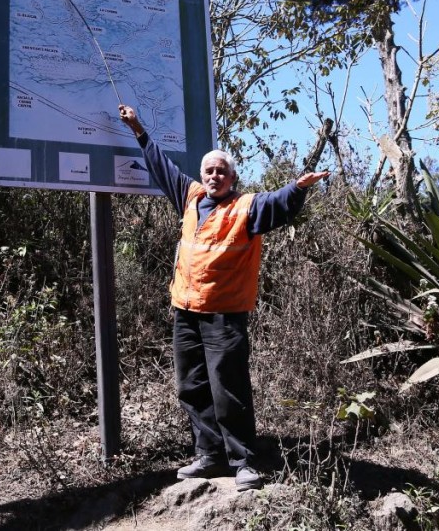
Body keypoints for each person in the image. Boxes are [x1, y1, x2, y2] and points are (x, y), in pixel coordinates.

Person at [118, 104, 329, 491]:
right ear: (203, 176)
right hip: (186, 311)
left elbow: (277, 203)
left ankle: (244, 461)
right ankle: (209, 455)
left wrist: (298, 188)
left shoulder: (246, 208)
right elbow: (161, 165)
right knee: (191, 386)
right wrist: (138, 130)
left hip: (224, 317)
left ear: (233, 177)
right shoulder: (189, 196)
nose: (215, 176)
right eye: (209, 170)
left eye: (222, 171)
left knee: (227, 387)